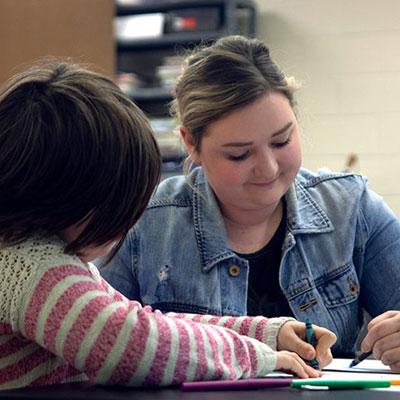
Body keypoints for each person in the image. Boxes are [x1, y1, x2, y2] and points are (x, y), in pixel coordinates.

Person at [0, 60, 336, 390]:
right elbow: (132, 344)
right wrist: (258, 357)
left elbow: (147, 321)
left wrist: (265, 334)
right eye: (122, 208)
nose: (127, 223)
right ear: (72, 197)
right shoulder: (29, 266)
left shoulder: (43, 258)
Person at [98, 35, 400, 371]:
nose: (268, 168)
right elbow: (99, 344)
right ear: (191, 144)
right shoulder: (143, 223)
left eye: (282, 140)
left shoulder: (352, 207)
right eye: (239, 154)